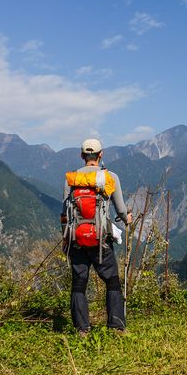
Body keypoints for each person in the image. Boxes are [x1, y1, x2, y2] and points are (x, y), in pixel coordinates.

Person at [62, 138, 132, 334]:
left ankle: (82, 329)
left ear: (82, 156)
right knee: (112, 281)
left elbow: (64, 214)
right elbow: (120, 210)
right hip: (100, 240)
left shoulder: (72, 179)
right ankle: (116, 326)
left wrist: (66, 240)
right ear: (101, 155)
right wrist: (127, 218)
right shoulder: (109, 177)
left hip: (76, 240)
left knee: (79, 284)